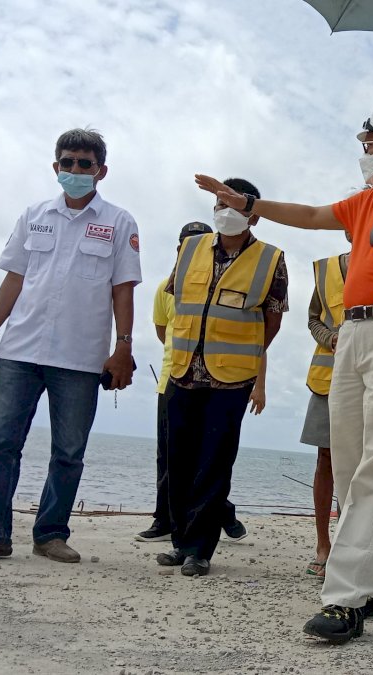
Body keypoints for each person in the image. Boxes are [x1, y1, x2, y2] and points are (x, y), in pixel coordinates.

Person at [195, 93, 373, 645]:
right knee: (348, 465)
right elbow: (316, 216)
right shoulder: (368, 200)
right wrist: (252, 204)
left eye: (370, 143)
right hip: (354, 334)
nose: (364, 152)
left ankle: (343, 599)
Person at [0, 128, 142, 564]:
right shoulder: (34, 215)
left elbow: (123, 289)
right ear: (56, 167)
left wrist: (123, 346)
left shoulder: (119, 222)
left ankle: (50, 535)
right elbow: (14, 277)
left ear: (100, 171)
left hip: (81, 356)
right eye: (67, 162)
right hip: (19, 350)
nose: (74, 170)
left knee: (68, 453)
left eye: (84, 164)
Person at [156, 178, 286, 577]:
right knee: (178, 460)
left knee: (213, 463)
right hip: (183, 372)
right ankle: (180, 541)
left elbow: (273, 320)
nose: (224, 210)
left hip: (231, 380)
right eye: (219, 202)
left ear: (253, 214)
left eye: (233, 204)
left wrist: (242, 357)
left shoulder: (271, 258)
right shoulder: (192, 248)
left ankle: (200, 550)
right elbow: (175, 300)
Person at [136, 221, 247, 544]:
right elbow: (162, 331)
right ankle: (165, 520)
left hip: (217, 383)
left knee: (207, 457)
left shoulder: (221, 286)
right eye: (186, 243)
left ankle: (220, 510)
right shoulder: (166, 288)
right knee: (169, 457)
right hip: (173, 380)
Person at [302, 244, 351, 578]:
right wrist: (330, 338)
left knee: (363, 463)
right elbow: (313, 318)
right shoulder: (326, 269)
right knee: (326, 459)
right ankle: (324, 544)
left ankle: (354, 545)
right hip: (327, 377)